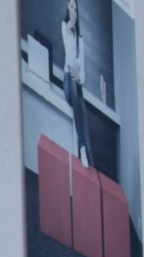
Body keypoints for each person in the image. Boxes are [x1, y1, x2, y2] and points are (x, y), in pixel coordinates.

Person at [62, 0, 93, 168]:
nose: (73, 11)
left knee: (83, 112)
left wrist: (79, 76)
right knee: (74, 85)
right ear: (68, 8)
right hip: (67, 80)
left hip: (76, 84)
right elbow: (70, 59)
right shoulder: (64, 28)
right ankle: (82, 147)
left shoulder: (81, 39)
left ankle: (87, 155)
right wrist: (69, 33)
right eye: (71, 7)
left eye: (76, 9)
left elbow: (84, 74)